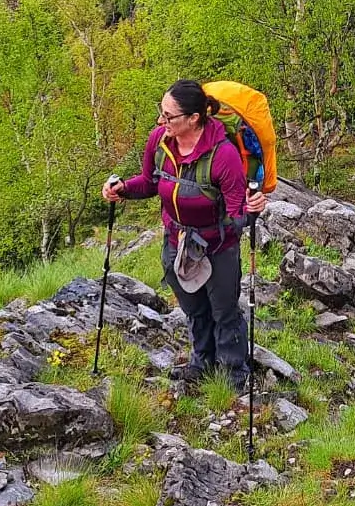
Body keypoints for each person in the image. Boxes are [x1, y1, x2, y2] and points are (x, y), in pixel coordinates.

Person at [102, 80, 266, 391]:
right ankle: (202, 363)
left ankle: (233, 373)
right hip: (176, 241)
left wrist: (252, 209)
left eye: (168, 116)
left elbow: (236, 213)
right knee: (194, 309)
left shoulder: (224, 155)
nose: (160, 121)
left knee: (224, 311)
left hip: (218, 246)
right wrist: (122, 189)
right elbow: (149, 182)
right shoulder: (160, 141)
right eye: (161, 112)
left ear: (193, 118)